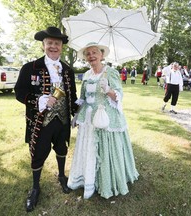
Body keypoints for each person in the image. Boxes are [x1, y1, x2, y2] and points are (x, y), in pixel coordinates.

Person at [14, 26, 78, 212]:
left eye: (56, 43)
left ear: (61, 47)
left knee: (62, 148)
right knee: (38, 154)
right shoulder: (30, 68)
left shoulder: (68, 70)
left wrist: (77, 112)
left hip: (63, 120)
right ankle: (35, 187)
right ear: (43, 45)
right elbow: (19, 92)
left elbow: (72, 95)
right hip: (40, 122)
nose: (53, 46)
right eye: (49, 43)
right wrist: (38, 100)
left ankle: (61, 176)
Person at [67, 42, 139, 199]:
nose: (91, 56)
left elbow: (119, 95)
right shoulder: (86, 75)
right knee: (88, 149)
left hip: (105, 118)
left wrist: (108, 90)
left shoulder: (110, 72)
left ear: (102, 55)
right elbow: (83, 98)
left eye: (94, 53)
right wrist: (77, 116)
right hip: (88, 119)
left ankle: (106, 181)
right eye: (88, 54)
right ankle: (87, 179)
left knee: (105, 149)